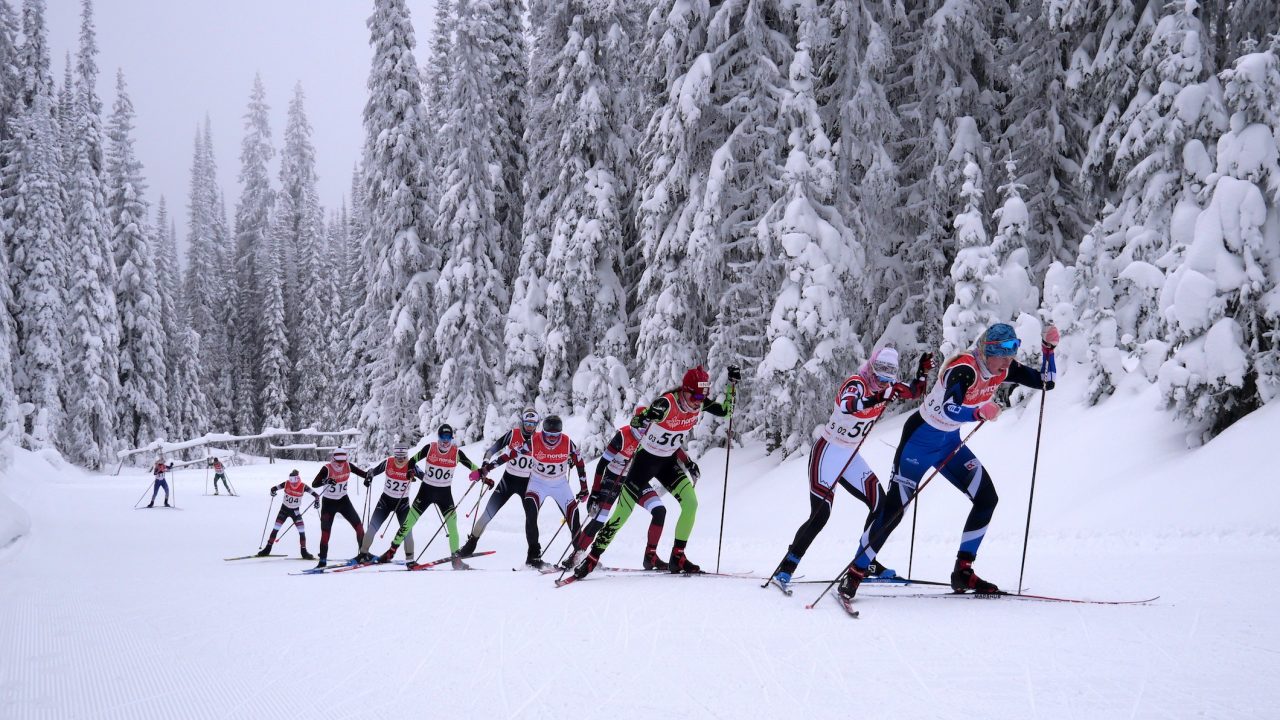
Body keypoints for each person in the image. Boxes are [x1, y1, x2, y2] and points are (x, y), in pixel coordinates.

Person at [836, 323, 1059, 605]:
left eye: (1013, 348)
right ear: (987, 350)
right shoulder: (965, 368)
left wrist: (1048, 351)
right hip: (919, 442)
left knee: (987, 498)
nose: (1009, 357)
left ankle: (963, 571)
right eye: (1003, 350)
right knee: (894, 511)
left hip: (949, 444)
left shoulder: (1003, 369)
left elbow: (1046, 382)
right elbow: (950, 406)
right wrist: (979, 411)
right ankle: (855, 572)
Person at [769, 347, 933, 592]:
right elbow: (848, 406)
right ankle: (787, 566)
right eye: (879, 376)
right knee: (821, 514)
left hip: (851, 455)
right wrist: (879, 397)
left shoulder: (887, 387)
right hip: (828, 452)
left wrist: (921, 373)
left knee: (882, 506)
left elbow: (913, 392)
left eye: (888, 378)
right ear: (871, 369)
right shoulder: (857, 383)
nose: (882, 383)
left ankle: (866, 562)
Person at [574, 364, 738, 578]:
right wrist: (647, 417)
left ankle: (677, 556)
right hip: (644, 462)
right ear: (684, 390)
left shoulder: (698, 402)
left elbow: (726, 411)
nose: (698, 402)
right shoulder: (666, 403)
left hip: (667, 462)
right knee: (622, 514)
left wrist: (731, 386)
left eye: (702, 396)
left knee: (691, 503)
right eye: (695, 396)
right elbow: (636, 421)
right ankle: (592, 557)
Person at [563, 406, 675, 571]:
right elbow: (602, 464)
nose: (646, 429)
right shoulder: (623, 436)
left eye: (649, 425)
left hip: (636, 479)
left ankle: (650, 557)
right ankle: (577, 555)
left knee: (659, 510)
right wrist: (595, 493)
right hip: (614, 478)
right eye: (643, 424)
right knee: (600, 518)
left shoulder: (652, 439)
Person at [480, 415, 587, 569]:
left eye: (555, 435)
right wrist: (488, 467)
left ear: (561, 434)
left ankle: (579, 555)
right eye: (548, 435)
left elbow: (580, 463)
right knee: (531, 514)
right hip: (538, 483)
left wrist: (584, 488)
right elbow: (510, 454)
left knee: (573, 515)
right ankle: (533, 557)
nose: (551, 438)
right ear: (542, 432)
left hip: (560, 484)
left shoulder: (567, 442)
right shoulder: (534, 441)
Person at [378, 425, 482, 569]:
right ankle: (391, 551)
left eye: (448, 438)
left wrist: (483, 476)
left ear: (451, 438)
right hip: (425, 492)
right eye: (443, 437)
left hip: (444, 495)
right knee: (408, 523)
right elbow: (413, 460)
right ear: (438, 437)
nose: (445, 441)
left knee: (452, 525)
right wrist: (410, 471)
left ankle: (455, 559)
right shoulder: (430, 448)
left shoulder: (456, 453)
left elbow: (472, 466)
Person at [457, 409, 541, 557]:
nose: (529, 427)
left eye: (532, 424)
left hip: (528, 484)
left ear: (536, 424)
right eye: (527, 423)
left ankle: (533, 555)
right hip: (508, 481)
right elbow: (491, 450)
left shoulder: (540, 440)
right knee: (487, 514)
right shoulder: (513, 434)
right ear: (523, 422)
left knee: (532, 519)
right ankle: (470, 546)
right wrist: (485, 464)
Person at [354, 444, 424, 565]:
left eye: (404, 456)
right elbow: (372, 471)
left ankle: (410, 560)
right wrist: (369, 477)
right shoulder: (388, 462)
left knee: (407, 531)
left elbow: (426, 478)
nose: (401, 459)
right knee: (372, 528)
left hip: (403, 504)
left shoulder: (411, 465)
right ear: (394, 455)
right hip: (385, 501)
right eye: (398, 456)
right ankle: (363, 554)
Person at [309, 448, 371, 569]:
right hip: (328, 503)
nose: (340, 464)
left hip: (343, 501)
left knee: (359, 526)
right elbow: (314, 483)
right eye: (338, 461)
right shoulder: (326, 468)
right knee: (326, 533)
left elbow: (364, 474)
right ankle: (322, 561)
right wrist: (326, 480)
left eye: (343, 461)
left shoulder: (348, 466)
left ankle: (364, 554)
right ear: (333, 458)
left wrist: (368, 478)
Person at [257, 469, 320, 558]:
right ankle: (267, 549)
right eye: (291, 481)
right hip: (284, 510)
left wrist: (317, 501)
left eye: (294, 481)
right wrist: (272, 491)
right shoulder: (286, 483)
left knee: (301, 531)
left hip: (295, 512)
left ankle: (304, 552)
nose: (292, 483)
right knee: (275, 529)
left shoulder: (303, 486)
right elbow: (274, 488)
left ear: (298, 479)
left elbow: (316, 495)